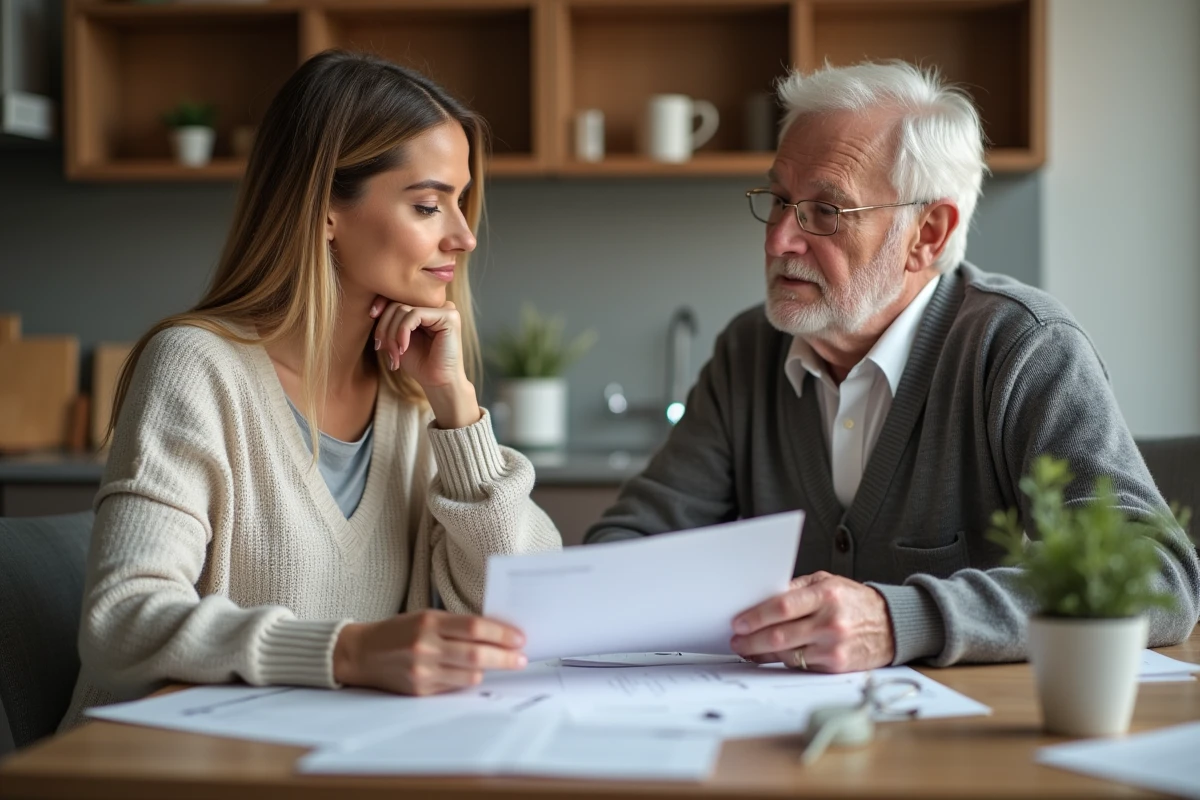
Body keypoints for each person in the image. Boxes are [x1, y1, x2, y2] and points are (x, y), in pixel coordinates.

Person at [585, 61, 1200, 673]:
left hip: (971, 726)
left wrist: (899, 619)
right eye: (779, 200)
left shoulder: (1023, 347)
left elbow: (1161, 574)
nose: (778, 240)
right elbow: (623, 548)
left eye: (826, 211)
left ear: (927, 235)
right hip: (780, 724)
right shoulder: (748, 351)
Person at [60, 51, 561, 729]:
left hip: (332, 757)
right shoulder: (197, 368)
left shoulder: (413, 401)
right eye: (427, 205)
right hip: (163, 764)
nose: (464, 236)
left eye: (460, 202)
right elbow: (121, 622)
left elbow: (527, 614)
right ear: (326, 208)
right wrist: (347, 652)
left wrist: (458, 410)